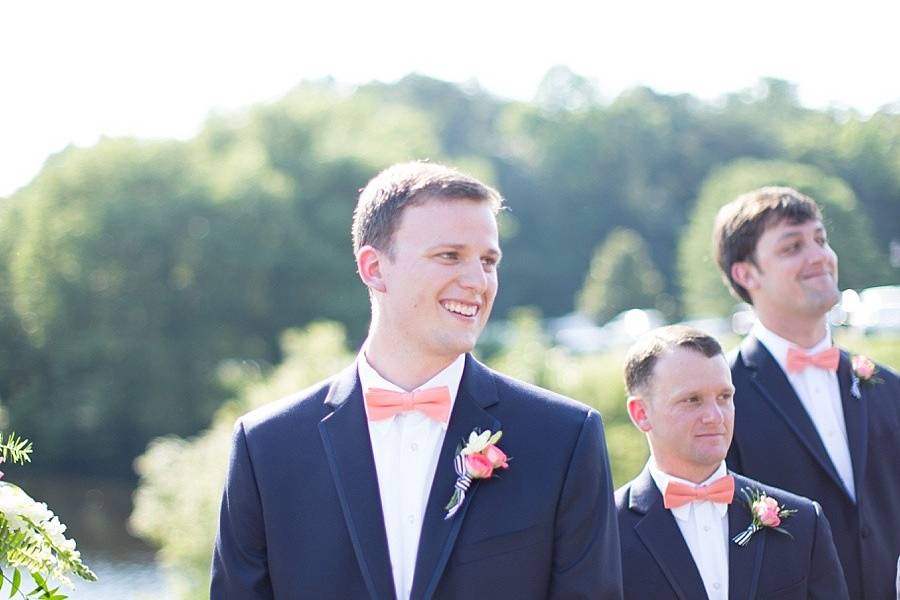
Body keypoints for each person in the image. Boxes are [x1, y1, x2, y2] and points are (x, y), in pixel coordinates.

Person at [210, 161, 623, 599]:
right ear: (374, 267)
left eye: (488, 260)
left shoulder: (564, 437)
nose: (477, 281)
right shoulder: (267, 446)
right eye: (450, 256)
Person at [713, 186, 900, 600]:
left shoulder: (887, 386)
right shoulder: (719, 397)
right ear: (747, 273)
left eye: (820, 239)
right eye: (792, 246)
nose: (819, 256)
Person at [616, 325, 848, 600]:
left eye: (724, 397)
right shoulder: (605, 532)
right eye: (692, 400)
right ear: (641, 413)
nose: (715, 415)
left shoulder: (804, 522)